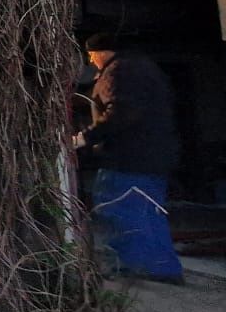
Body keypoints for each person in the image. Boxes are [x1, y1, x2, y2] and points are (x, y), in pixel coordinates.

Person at [75, 33, 184, 281]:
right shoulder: (145, 68)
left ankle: (135, 266)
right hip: (153, 156)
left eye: (92, 56)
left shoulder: (118, 72)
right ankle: (162, 268)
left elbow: (121, 112)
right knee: (149, 212)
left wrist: (86, 137)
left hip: (127, 158)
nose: (93, 61)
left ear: (103, 52)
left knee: (119, 209)